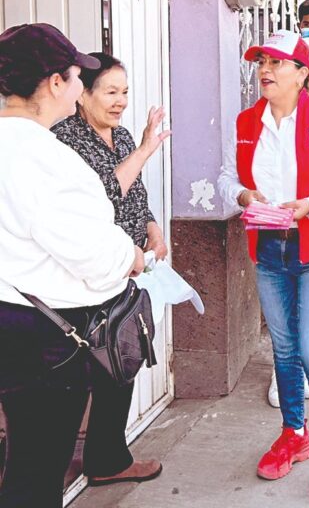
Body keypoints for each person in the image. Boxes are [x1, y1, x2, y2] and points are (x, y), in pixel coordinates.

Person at [218, 30, 309, 507]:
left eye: (278, 62)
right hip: (271, 251)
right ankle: (294, 434)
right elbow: (227, 177)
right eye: (262, 61)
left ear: (303, 73)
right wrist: (244, 195)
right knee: (283, 350)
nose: (266, 69)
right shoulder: (246, 122)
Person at [0, 23, 144, 508]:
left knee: (20, 461)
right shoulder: (42, 156)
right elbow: (90, 255)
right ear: (54, 83)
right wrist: (131, 256)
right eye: (76, 75)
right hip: (41, 335)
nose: (82, 85)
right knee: (37, 474)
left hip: (13, 320)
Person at [51, 52, 167, 486]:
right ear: (83, 96)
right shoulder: (66, 140)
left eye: (124, 92)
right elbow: (103, 196)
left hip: (126, 272)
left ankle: (107, 459)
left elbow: (133, 192)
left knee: (122, 361)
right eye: (110, 92)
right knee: (87, 371)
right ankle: (73, 464)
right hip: (88, 274)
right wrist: (144, 149)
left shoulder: (117, 137)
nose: (119, 102)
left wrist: (152, 228)